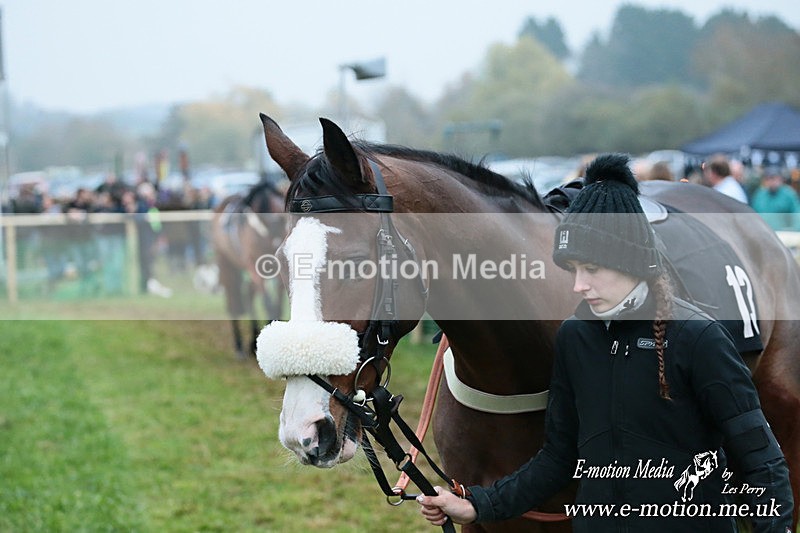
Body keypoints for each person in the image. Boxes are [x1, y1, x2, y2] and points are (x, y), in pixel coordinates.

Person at [417, 153, 793, 532]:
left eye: (591, 270)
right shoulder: (575, 336)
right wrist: (475, 505)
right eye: (574, 270)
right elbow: (557, 460)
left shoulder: (700, 338)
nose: (578, 285)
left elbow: (763, 463)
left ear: (631, 262)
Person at [749, 166, 800, 232]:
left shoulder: (789, 194)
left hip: (784, 235)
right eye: (769, 179)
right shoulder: (760, 195)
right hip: (764, 234)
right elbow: (753, 217)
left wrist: (794, 231)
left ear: (781, 179)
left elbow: (797, 215)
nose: (772, 182)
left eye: (774, 178)